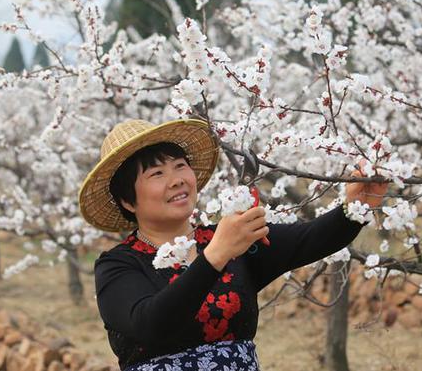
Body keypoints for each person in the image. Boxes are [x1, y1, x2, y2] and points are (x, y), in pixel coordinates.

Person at [78, 118, 388, 371]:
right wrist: (216, 254)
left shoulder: (230, 239)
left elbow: (309, 240)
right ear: (127, 201)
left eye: (180, 166)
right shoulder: (119, 265)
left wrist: (354, 208)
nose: (176, 180)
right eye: (157, 173)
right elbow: (150, 323)